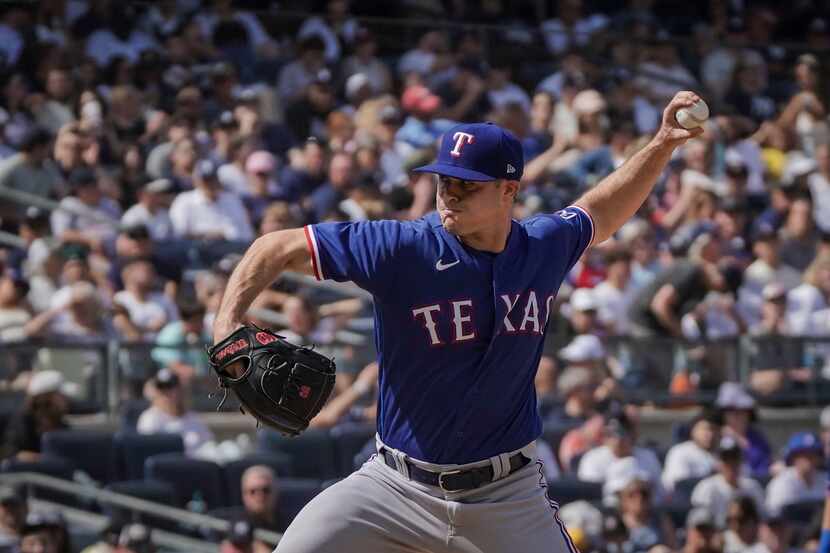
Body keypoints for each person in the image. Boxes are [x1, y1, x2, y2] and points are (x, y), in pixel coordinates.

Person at [211, 92, 706, 552]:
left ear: (509, 189)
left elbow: (601, 210)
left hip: (508, 496)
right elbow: (274, 247)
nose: (449, 193)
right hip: (394, 487)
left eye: (465, 185)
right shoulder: (402, 248)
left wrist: (662, 144)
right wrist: (227, 324)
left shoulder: (541, 246)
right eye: (443, 180)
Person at [136, 368, 213, 456]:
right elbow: (149, 452)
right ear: (155, 392)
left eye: (171, 387)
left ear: (180, 389)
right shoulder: (149, 418)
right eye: (161, 388)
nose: (166, 392)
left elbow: (209, 445)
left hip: (197, 465)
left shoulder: (193, 418)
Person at [691, 436, 766, 526]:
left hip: (746, 537)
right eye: (726, 460)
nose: (731, 464)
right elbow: (699, 524)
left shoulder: (753, 487)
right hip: (716, 535)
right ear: (718, 463)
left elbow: (762, 519)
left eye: (735, 459)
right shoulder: (706, 487)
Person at [2, 370, 70, 461]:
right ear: (45, 397)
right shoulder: (23, 421)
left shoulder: (61, 423)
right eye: (60, 395)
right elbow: (12, 453)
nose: (66, 400)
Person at [766, 432, 826, 516]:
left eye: (814, 454)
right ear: (793, 457)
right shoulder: (782, 482)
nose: (809, 459)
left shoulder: (826, 480)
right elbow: (776, 519)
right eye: (804, 454)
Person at [662, 409, 721, 492]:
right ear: (693, 430)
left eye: (715, 429)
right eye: (705, 429)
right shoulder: (680, 451)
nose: (710, 434)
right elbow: (680, 485)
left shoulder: (723, 454)